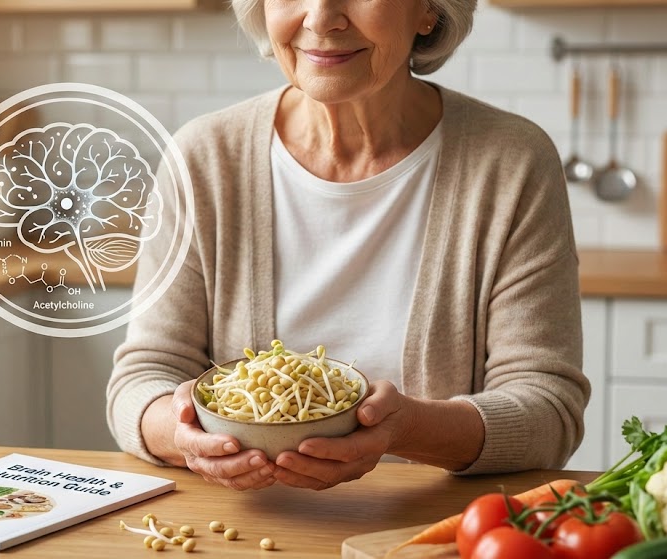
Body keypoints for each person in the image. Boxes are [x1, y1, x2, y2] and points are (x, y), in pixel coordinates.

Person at [106, 0, 590, 491]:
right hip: (244, 528)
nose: (320, 18)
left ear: (428, 11)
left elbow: (548, 409)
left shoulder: (511, 162)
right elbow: (142, 381)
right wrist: (188, 434)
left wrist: (404, 429)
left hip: (429, 530)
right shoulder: (204, 158)